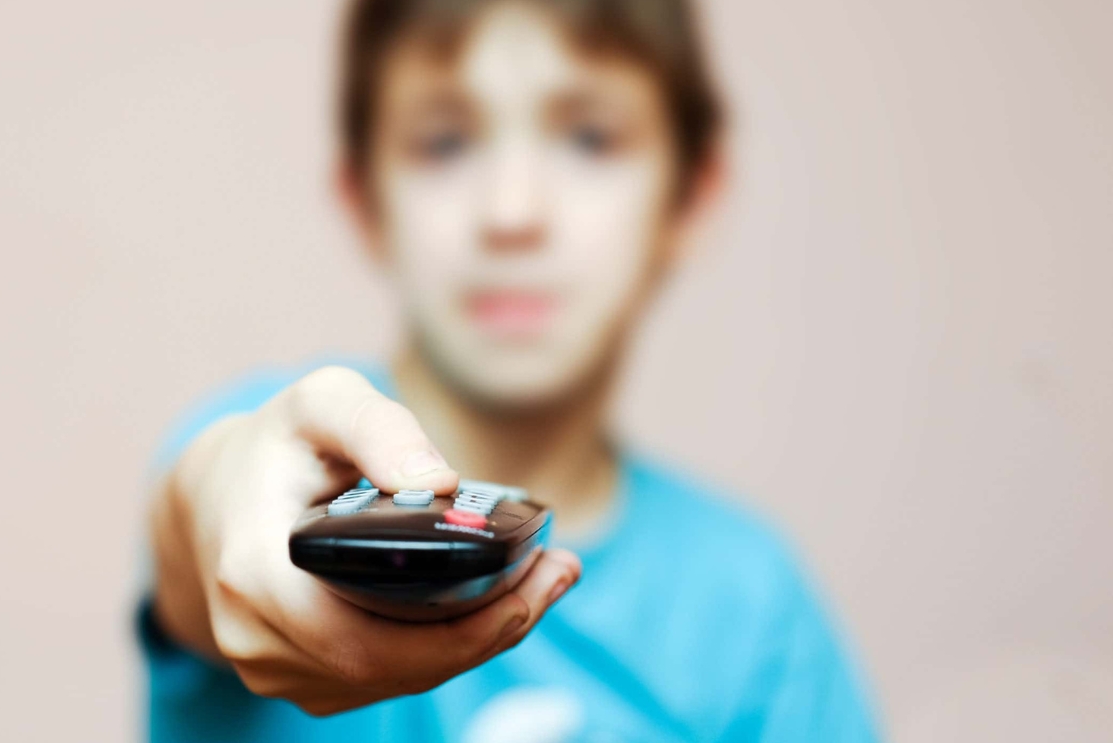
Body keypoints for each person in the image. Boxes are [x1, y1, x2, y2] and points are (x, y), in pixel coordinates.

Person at [140, 0, 880, 740]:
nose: (511, 210)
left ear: (690, 198)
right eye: (443, 142)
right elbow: (206, 522)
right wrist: (216, 505)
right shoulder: (280, 452)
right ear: (363, 199)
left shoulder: (751, 607)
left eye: (589, 137)